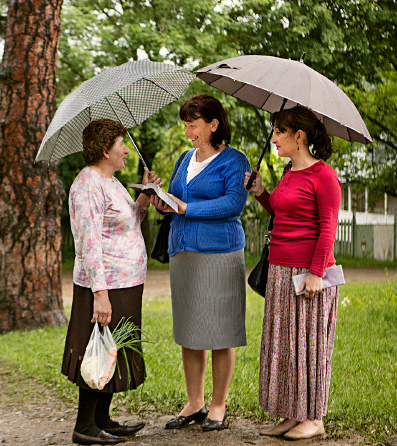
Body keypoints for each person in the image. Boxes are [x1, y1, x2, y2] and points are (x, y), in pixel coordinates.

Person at [149, 94, 251, 431]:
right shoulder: (183, 157)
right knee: (190, 330)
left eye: (193, 124)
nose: (187, 131)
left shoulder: (235, 161)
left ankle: (218, 404)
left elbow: (233, 204)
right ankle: (195, 402)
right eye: (185, 125)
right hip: (183, 252)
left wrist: (185, 209)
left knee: (221, 330)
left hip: (221, 253)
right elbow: (178, 199)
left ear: (213, 124)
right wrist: (163, 202)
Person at [61, 119, 162, 445]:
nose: (126, 149)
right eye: (121, 143)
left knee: (114, 349)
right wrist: (100, 296)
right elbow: (89, 245)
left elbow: (127, 223)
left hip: (126, 282)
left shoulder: (112, 181)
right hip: (105, 286)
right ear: (105, 149)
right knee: (98, 351)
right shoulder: (88, 186)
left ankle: (102, 419)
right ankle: (84, 427)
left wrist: (144, 200)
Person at [244, 105, 341, 441]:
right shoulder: (288, 173)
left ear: (298, 136)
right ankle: (291, 413)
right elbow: (281, 213)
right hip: (280, 271)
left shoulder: (324, 175)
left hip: (309, 274)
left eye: (278, 132)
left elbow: (328, 226)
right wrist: (260, 193)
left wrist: (316, 273)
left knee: (309, 346)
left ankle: (313, 417)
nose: (274, 138)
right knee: (285, 345)